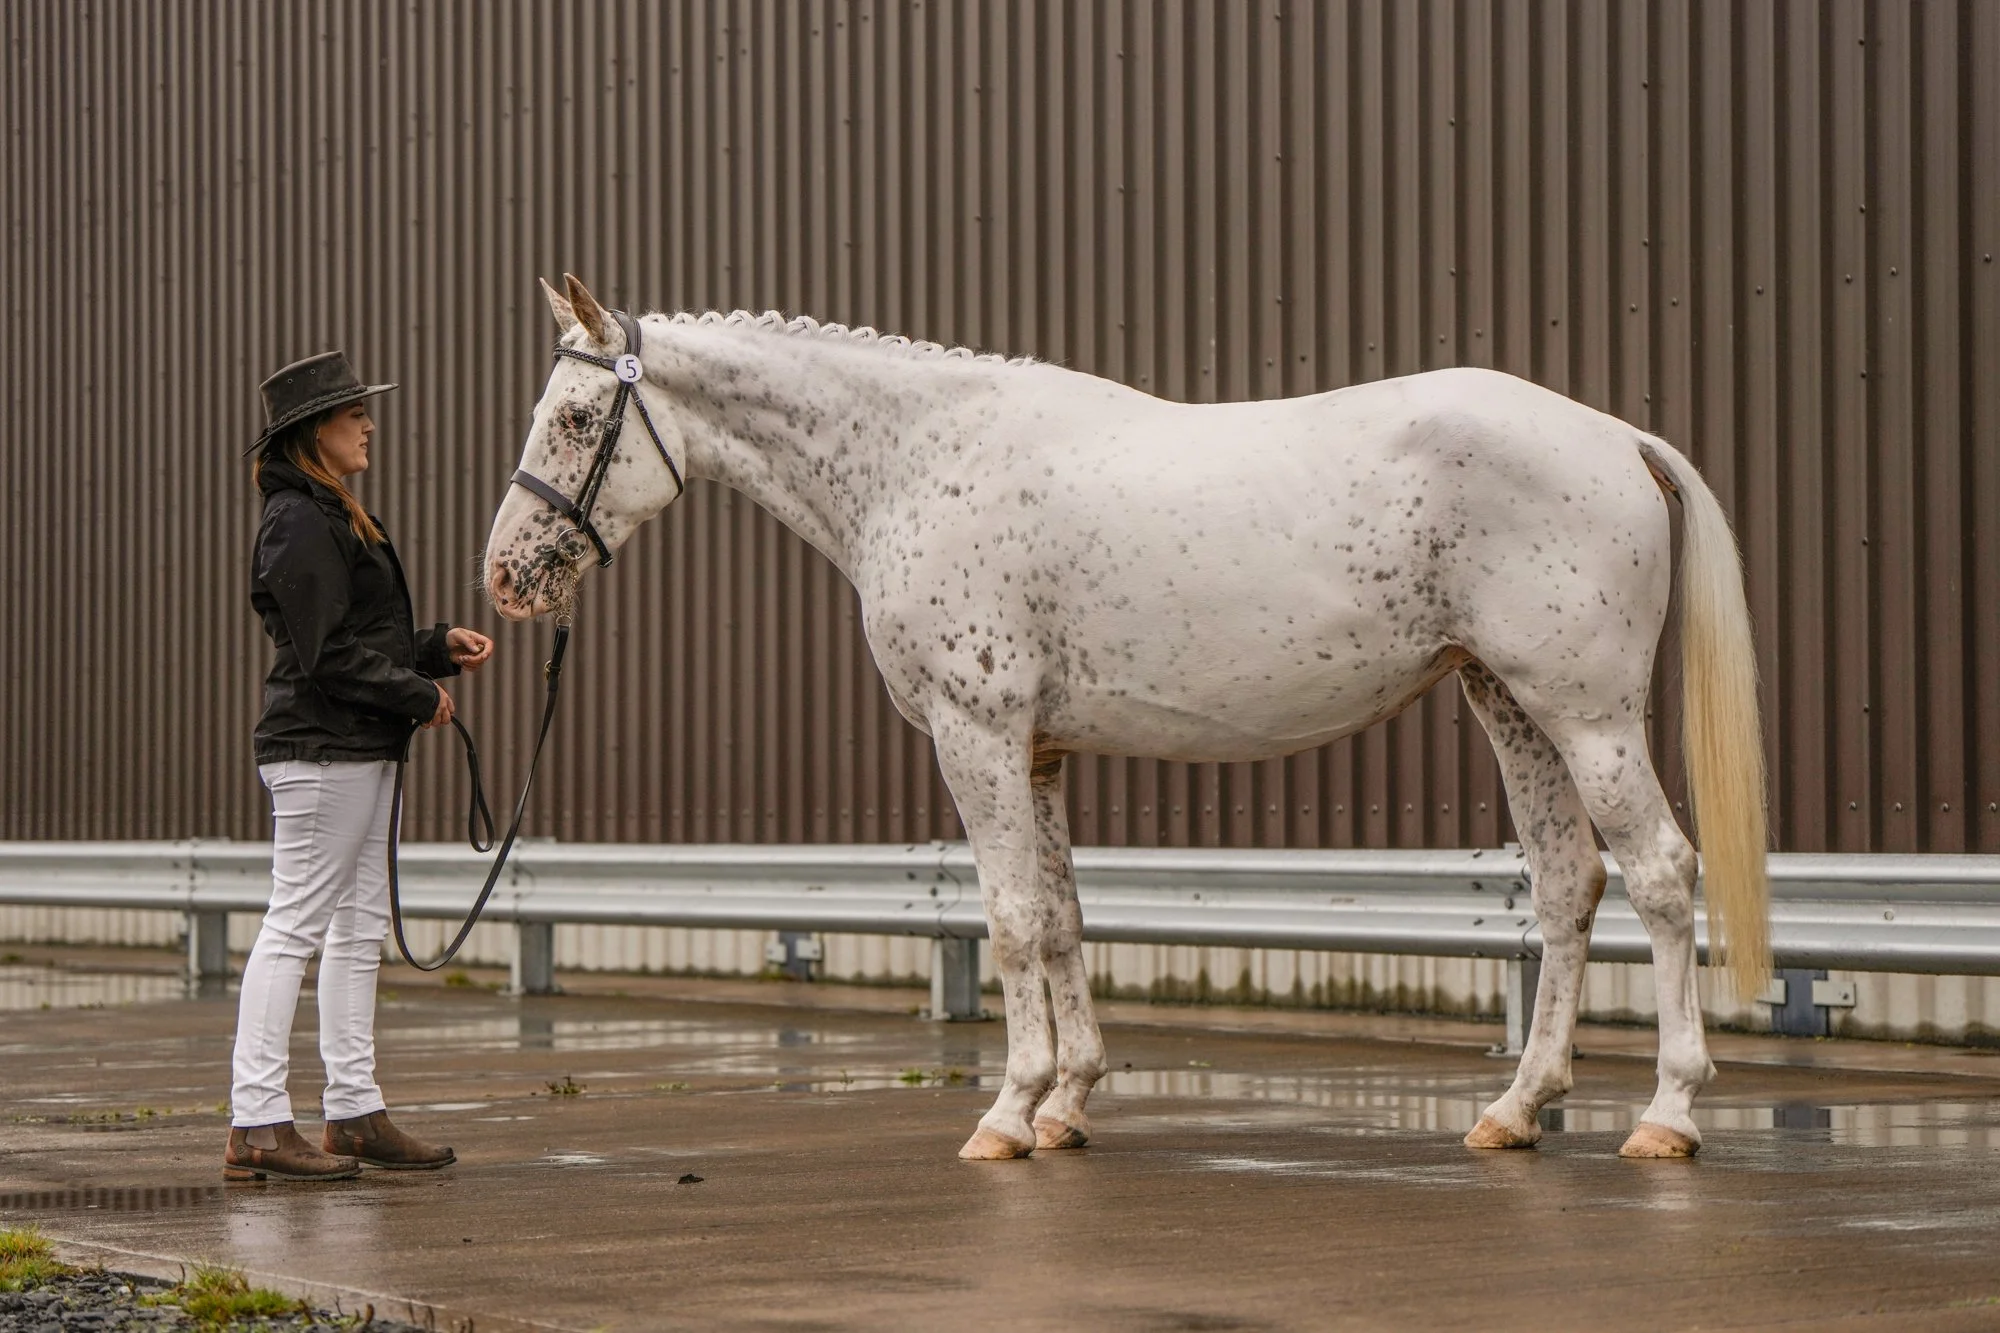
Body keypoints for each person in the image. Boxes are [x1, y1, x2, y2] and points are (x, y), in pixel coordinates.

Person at [227, 351, 494, 1182]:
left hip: (355, 746)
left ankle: (353, 1109)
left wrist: (430, 651)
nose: (369, 425)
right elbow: (326, 655)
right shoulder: (299, 520)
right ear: (316, 433)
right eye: (354, 416)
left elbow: (355, 643)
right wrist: (413, 691)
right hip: (322, 749)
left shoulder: (329, 513)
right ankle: (257, 1122)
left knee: (355, 929)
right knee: (296, 928)